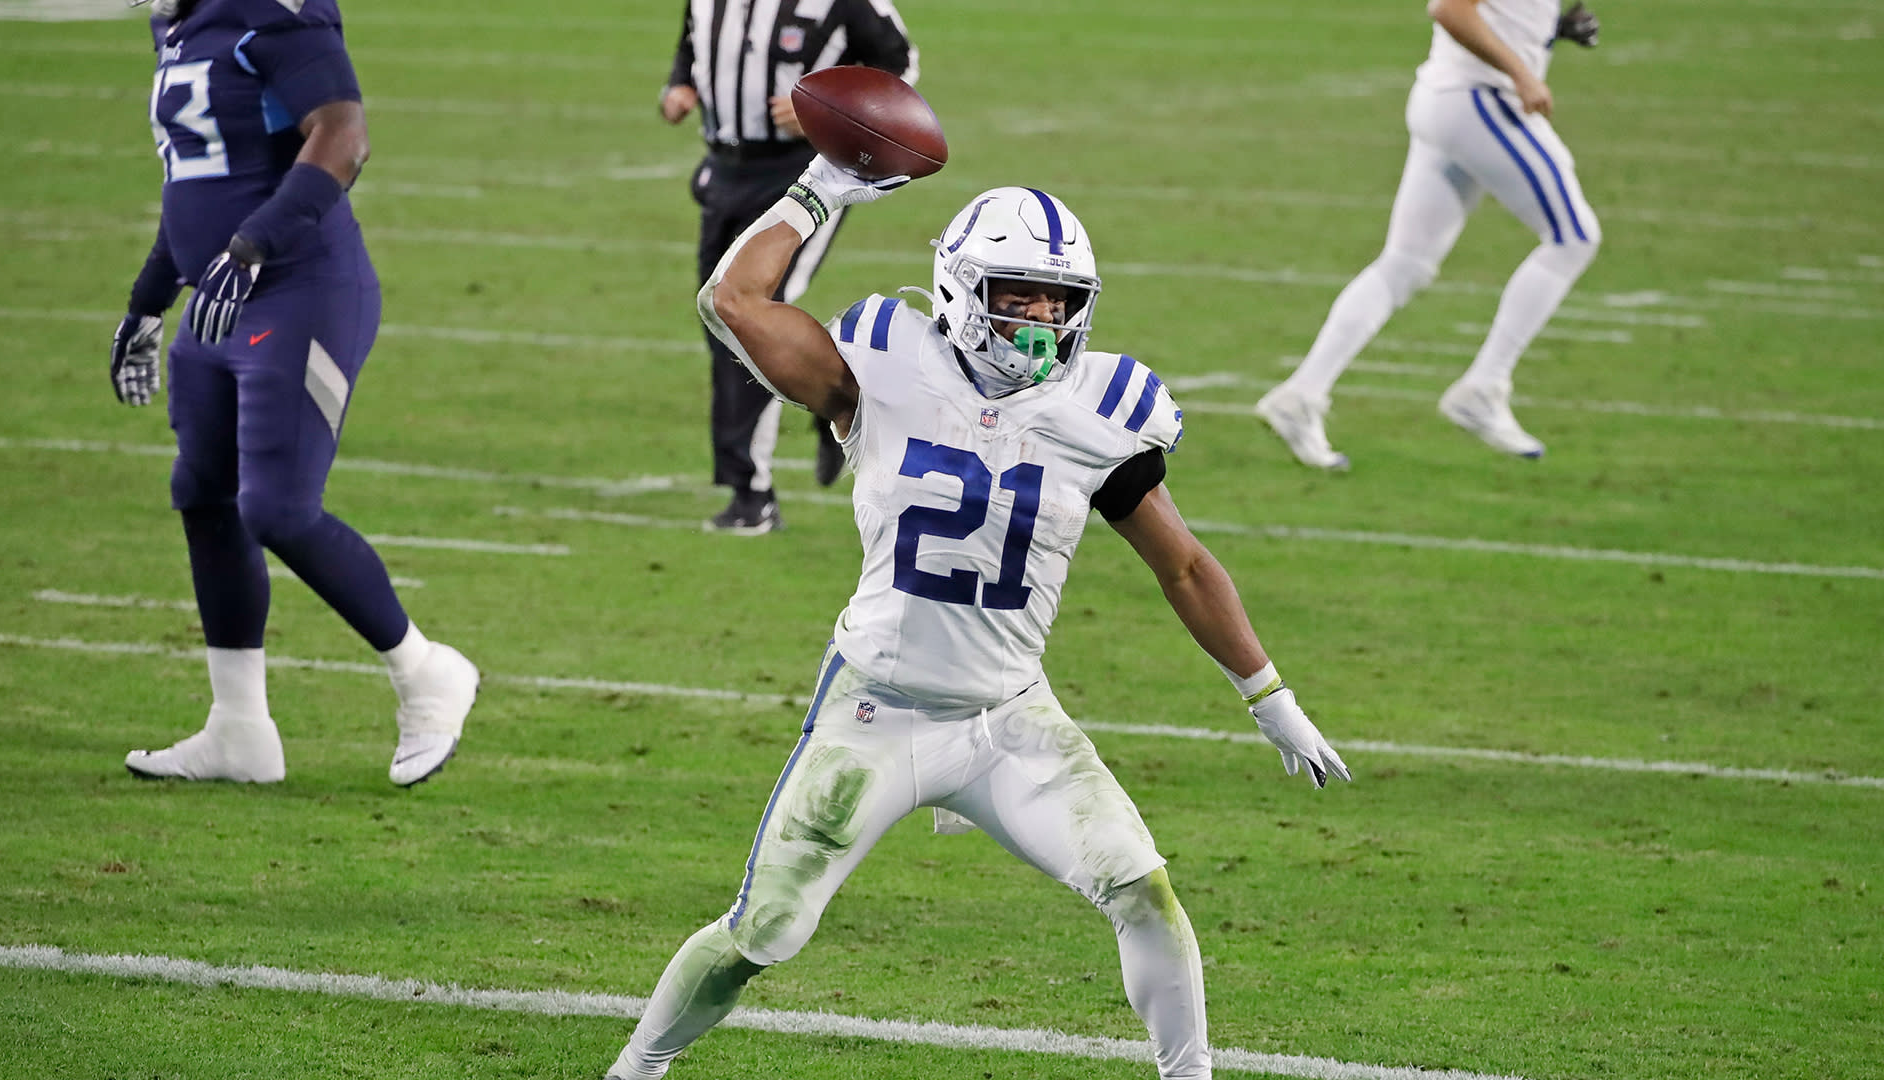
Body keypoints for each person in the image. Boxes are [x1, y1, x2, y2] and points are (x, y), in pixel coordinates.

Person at [603, 162, 1353, 1080]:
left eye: (1057, 299)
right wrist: (823, 184)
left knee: (1142, 887)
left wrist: (1267, 694)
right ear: (962, 288)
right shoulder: (883, 367)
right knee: (765, 930)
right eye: (1019, 295)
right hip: (875, 710)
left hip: (1009, 719)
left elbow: (1185, 564)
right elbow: (734, 298)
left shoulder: (1098, 412)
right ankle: (637, 1068)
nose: (1039, 318)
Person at [108, 0, 478, 786]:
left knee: (275, 507)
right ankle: (238, 728)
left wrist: (252, 248)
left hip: (299, 287)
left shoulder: (268, 11)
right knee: (202, 493)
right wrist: (147, 300)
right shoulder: (179, 27)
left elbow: (345, 135)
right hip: (219, 292)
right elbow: (199, 185)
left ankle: (426, 672)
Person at [1255, 0, 1603, 469]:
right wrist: (1522, 71)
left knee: (1406, 263)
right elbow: (1449, 9)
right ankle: (1485, 387)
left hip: (1450, 99)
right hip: (1480, 99)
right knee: (1574, 236)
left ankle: (1301, 394)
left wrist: (1548, 29)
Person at [659, 0, 917, 533]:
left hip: (799, 176)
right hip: (722, 169)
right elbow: (694, 43)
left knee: (749, 319)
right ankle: (834, 396)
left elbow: (899, 66)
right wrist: (680, 85)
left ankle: (751, 493)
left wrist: (826, 112)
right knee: (718, 318)